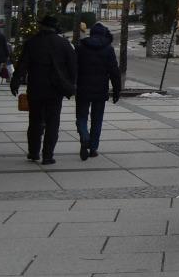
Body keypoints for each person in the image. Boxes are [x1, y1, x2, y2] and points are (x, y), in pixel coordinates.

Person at [10, 15, 77, 165]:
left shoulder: (32, 42)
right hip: (55, 89)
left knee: (35, 121)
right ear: (55, 28)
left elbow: (22, 65)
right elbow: (73, 66)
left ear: (42, 27)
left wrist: (15, 81)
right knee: (53, 122)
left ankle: (34, 152)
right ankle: (48, 155)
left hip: (36, 88)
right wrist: (71, 84)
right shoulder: (63, 43)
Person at [74, 21, 121, 160]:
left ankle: (84, 136)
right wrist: (117, 90)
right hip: (101, 90)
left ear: (91, 33)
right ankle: (93, 148)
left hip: (83, 88)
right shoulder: (108, 49)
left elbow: (73, 68)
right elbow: (114, 71)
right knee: (97, 119)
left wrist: (71, 85)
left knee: (81, 117)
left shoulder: (81, 47)